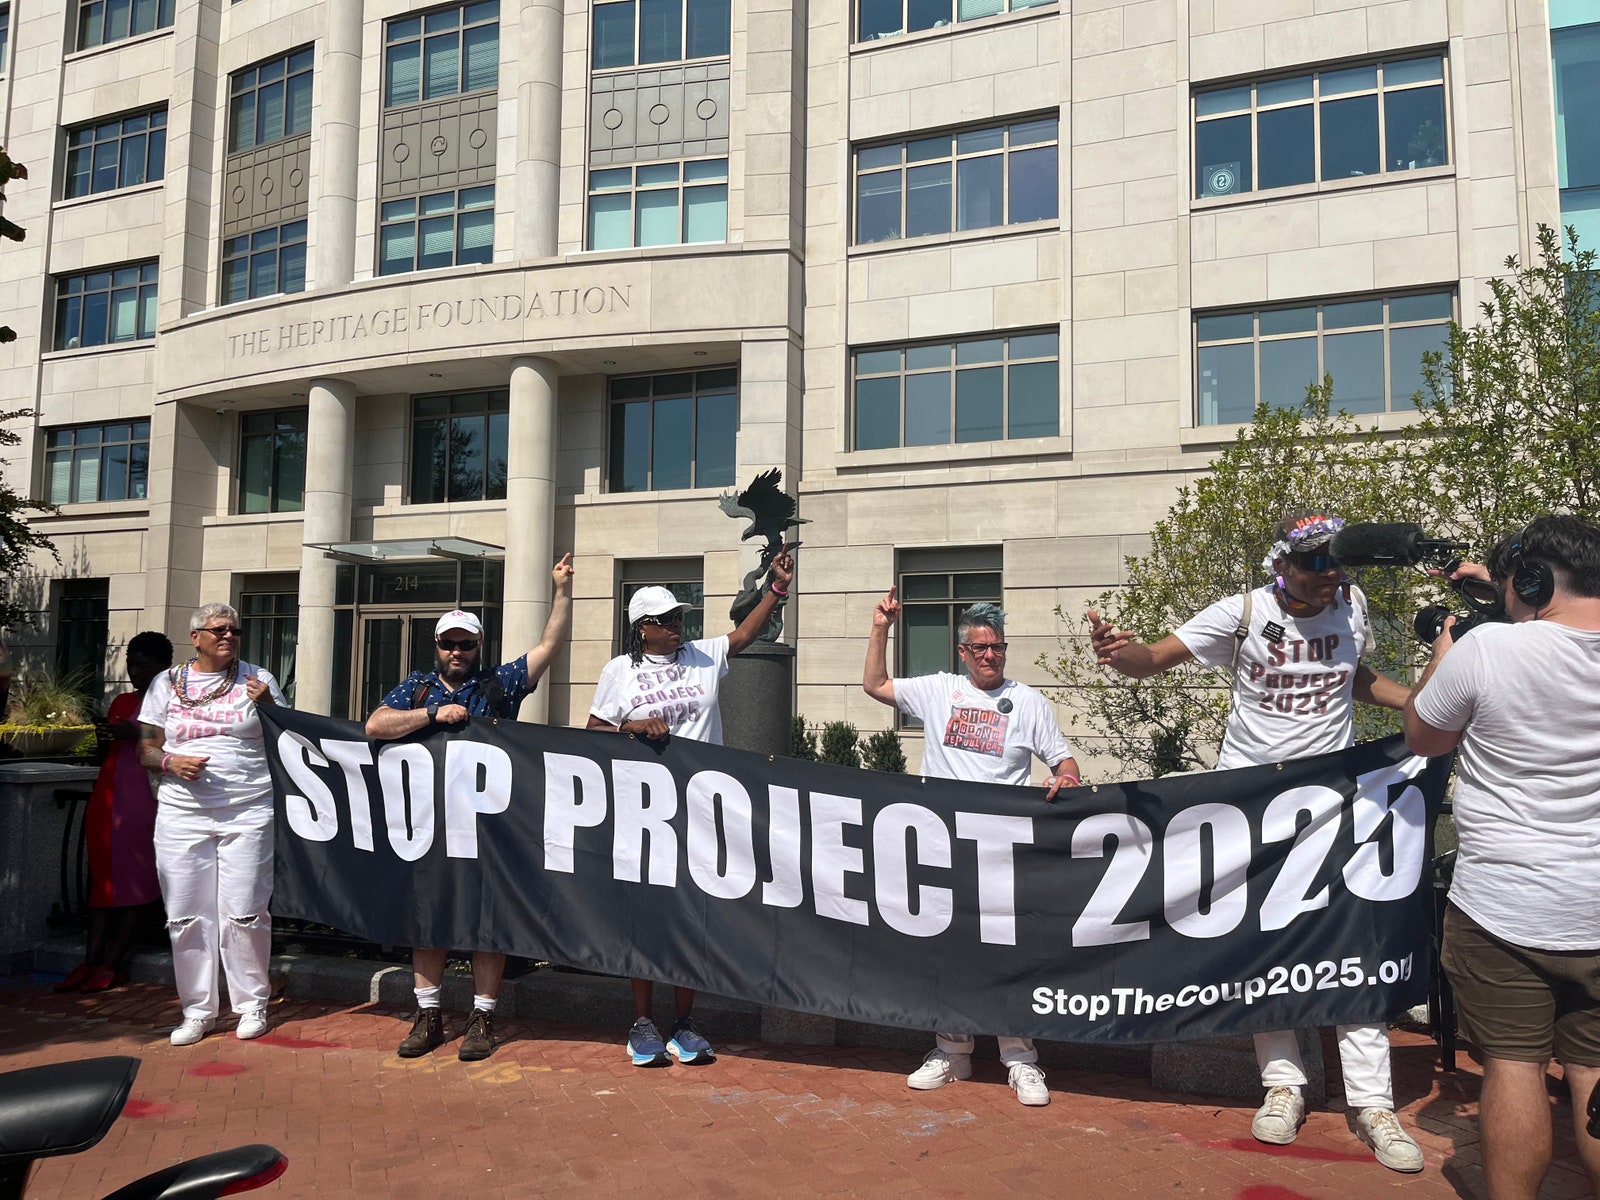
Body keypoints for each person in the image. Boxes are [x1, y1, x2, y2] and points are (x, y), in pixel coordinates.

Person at [1088, 511, 1424, 1173]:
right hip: (1251, 810)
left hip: (1333, 801)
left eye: (1338, 563)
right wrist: (1115, 652)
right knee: (1263, 948)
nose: (1331, 576)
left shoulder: (1350, 605)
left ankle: (1374, 1104)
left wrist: (1419, 704)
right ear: (1285, 566)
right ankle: (1282, 1085)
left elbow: (1353, 678)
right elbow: (1151, 660)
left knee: (1349, 948)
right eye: (1317, 563)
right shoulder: (1239, 613)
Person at [1404, 515, 1600, 1200]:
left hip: (1506, 908)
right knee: (1594, 1071)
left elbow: (1425, 735)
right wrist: (1501, 589)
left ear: (1533, 580)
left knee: (1513, 1065)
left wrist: (1444, 647)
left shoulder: (1486, 651)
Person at [863, 594, 1080, 1108]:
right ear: (963, 652)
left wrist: (1066, 776)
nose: (990, 656)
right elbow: (874, 685)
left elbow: (1064, 759)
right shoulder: (939, 691)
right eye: (980, 648)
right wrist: (880, 629)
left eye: (997, 647)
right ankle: (951, 1050)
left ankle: (1020, 1058)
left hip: (1005, 852)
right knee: (948, 952)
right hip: (942, 847)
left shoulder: (1028, 702)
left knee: (1007, 954)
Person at [587, 549, 796, 1068]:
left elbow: (744, 637)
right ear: (644, 628)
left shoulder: (702, 656)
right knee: (648, 918)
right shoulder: (620, 672)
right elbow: (592, 734)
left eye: (682, 617)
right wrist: (631, 726)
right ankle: (641, 1022)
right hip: (645, 814)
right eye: (670, 620)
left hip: (700, 811)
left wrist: (776, 590)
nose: (681, 625)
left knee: (690, 920)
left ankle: (683, 1022)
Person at [366, 554, 575, 1062]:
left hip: (490, 830)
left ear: (480, 646)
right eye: (449, 642)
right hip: (431, 826)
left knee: (488, 924)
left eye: (466, 643)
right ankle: (429, 1015)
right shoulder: (416, 685)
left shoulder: (498, 684)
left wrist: (562, 591)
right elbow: (375, 725)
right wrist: (433, 713)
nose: (457, 650)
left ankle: (482, 1017)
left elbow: (549, 646)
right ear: (436, 646)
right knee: (429, 922)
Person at [138, 604, 287, 1046]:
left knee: (244, 911)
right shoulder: (166, 683)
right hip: (182, 812)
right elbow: (146, 748)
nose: (228, 636)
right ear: (195, 636)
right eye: (218, 630)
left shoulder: (258, 679)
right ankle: (198, 1011)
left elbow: (288, 740)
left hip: (247, 808)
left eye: (235, 630)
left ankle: (250, 1004)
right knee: (185, 916)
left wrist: (269, 707)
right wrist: (169, 761)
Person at [56, 632, 174, 994]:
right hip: (108, 794)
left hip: (143, 798)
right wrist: (107, 736)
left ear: (161, 667)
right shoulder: (122, 700)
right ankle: (90, 961)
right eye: (131, 664)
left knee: (135, 879)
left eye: (143, 665)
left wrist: (135, 731)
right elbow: (104, 755)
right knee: (103, 880)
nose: (135, 672)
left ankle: (113, 962)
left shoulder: (173, 700)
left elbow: (173, 742)